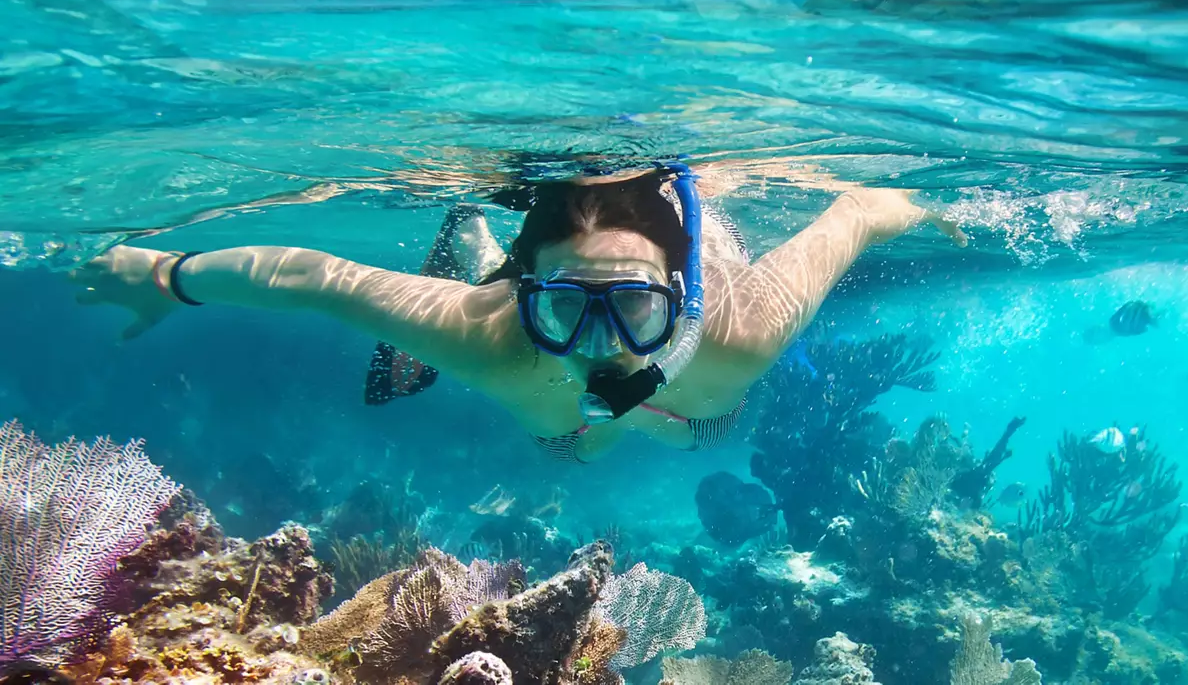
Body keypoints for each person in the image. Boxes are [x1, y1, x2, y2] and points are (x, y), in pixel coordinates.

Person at [70, 165, 965, 462]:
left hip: (697, 406)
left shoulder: (743, 328)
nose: (604, 344)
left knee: (703, 425)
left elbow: (857, 210)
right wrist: (164, 274)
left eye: (636, 308)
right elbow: (314, 276)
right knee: (572, 441)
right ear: (525, 294)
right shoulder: (488, 331)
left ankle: (484, 254)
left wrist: (930, 206)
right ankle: (475, 244)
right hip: (525, 329)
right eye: (569, 308)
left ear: (682, 300)